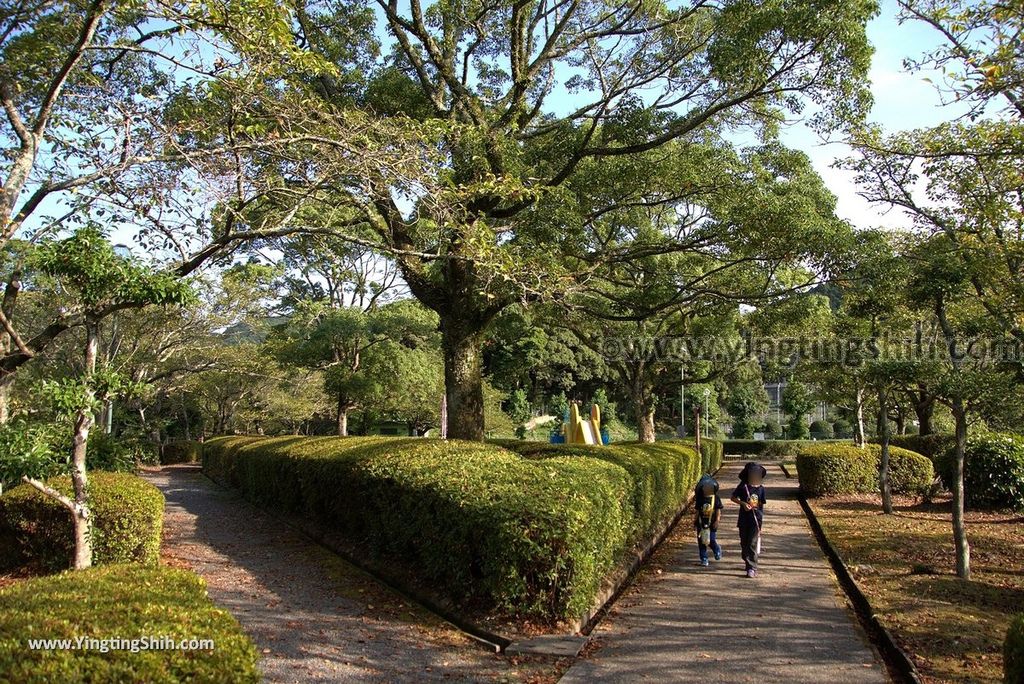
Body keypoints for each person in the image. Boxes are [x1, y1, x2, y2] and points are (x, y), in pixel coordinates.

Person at [731, 462, 767, 578]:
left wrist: (758, 513)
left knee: (752, 543)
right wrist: (743, 503)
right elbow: (733, 497)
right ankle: (746, 559)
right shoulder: (742, 486)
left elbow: (761, 503)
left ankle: (752, 567)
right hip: (743, 519)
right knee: (744, 542)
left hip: (756, 520)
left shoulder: (761, 489)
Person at [693, 475, 723, 567]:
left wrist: (717, 521)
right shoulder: (700, 499)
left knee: (711, 539)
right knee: (702, 541)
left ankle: (716, 549)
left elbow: (718, 511)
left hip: (712, 522)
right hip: (701, 523)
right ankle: (704, 558)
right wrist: (695, 521)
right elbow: (697, 511)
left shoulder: (716, 498)